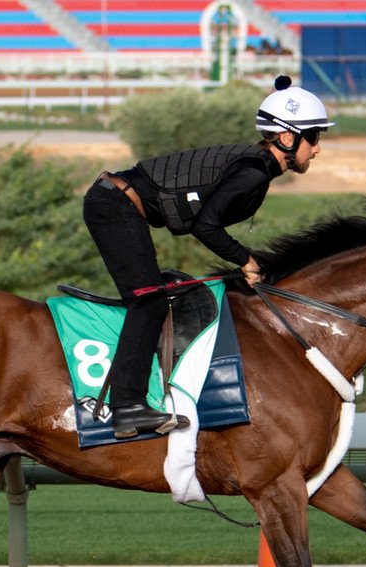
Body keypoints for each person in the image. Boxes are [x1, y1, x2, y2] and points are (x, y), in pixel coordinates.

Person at [83, 75, 332, 440]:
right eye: (314, 137)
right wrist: (246, 261)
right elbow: (205, 226)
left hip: (118, 202)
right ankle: (127, 407)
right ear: (287, 138)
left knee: (155, 296)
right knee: (149, 302)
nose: (318, 149)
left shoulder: (255, 168)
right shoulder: (252, 174)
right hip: (113, 205)